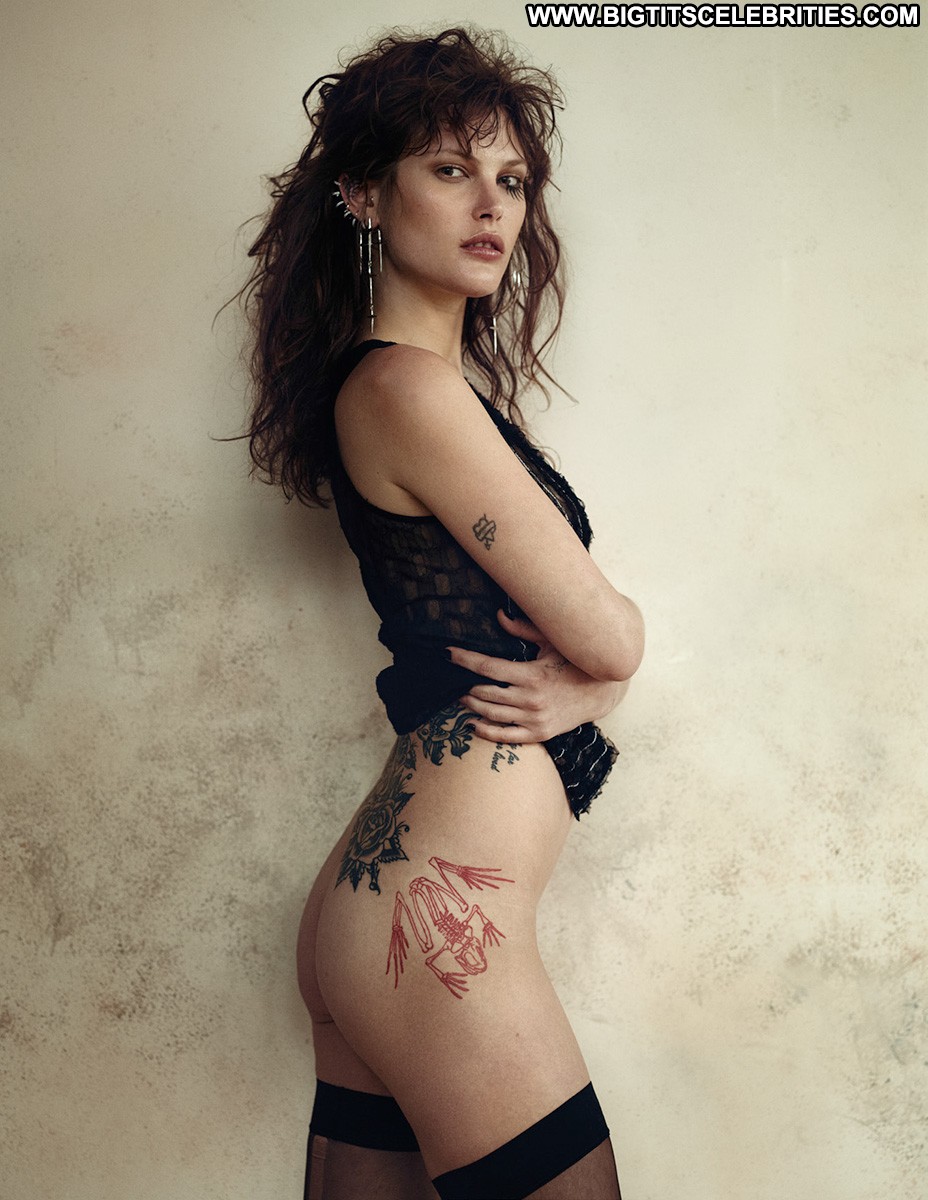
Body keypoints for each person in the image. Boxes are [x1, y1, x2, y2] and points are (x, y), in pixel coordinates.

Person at [236, 26, 644, 1200]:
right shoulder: (409, 388)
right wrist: (607, 670)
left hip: (394, 901)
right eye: (450, 168)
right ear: (365, 195)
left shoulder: (413, 388)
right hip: (433, 918)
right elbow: (608, 635)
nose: (491, 203)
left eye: (510, 178)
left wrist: (588, 681)